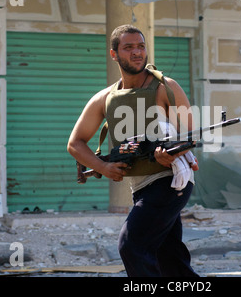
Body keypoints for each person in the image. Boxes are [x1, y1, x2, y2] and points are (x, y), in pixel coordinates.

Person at [67, 24, 199, 277]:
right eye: (128, 48)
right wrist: (103, 167)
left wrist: (170, 153)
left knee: (131, 245)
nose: (137, 52)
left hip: (171, 180)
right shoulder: (105, 98)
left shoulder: (165, 87)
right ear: (114, 54)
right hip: (140, 187)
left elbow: (190, 136)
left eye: (141, 46)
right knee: (169, 260)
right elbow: (75, 143)